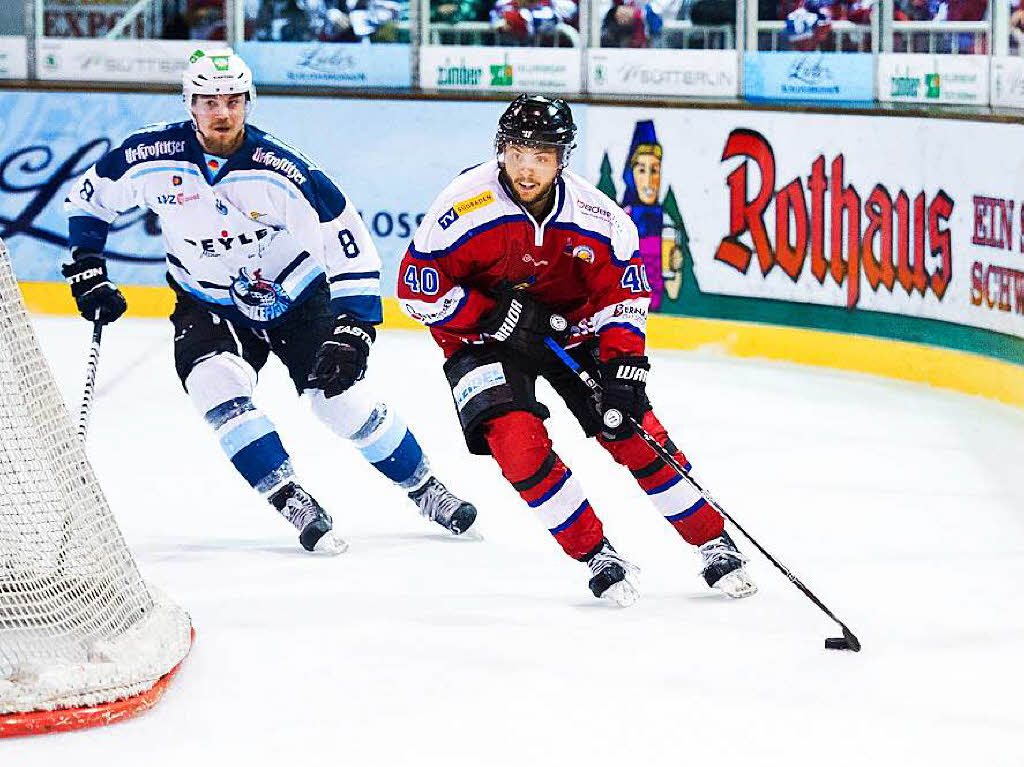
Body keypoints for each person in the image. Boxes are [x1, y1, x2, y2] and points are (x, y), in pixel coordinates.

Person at [62, 48, 477, 554]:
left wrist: (355, 326)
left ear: (248, 102)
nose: (222, 113)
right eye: (209, 101)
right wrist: (86, 267)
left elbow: (350, 244)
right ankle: (291, 498)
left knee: (338, 402)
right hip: (207, 303)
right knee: (215, 390)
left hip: (297, 300)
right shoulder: (146, 155)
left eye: (232, 100)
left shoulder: (285, 170)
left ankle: (424, 486)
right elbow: (89, 198)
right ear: (189, 104)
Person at [397, 95, 756, 606]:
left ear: (562, 158)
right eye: (518, 152)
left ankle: (711, 538)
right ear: (501, 151)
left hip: (572, 333)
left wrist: (625, 367)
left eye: (541, 155)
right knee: (517, 448)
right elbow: (415, 292)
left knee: (632, 432)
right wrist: (492, 314)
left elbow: (625, 294)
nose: (527, 167)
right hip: (482, 342)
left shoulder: (599, 218)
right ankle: (596, 553)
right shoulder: (460, 206)